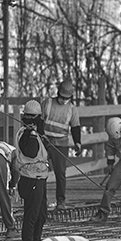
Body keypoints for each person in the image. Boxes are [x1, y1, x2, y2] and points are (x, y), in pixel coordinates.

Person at [41, 80, 82, 211]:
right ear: (58, 93)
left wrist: (78, 143)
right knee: (40, 171)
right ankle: (41, 200)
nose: (64, 100)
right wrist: (41, 135)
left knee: (60, 174)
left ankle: (61, 201)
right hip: (44, 142)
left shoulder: (72, 109)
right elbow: (39, 122)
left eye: (67, 98)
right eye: (62, 97)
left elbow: (75, 127)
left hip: (61, 144)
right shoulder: (47, 103)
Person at [16, 100, 50, 241]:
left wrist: (40, 135)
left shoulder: (36, 135)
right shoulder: (26, 135)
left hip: (40, 179)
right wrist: (32, 133)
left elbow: (44, 152)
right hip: (31, 180)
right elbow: (30, 152)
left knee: (41, 216)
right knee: (31, 217)